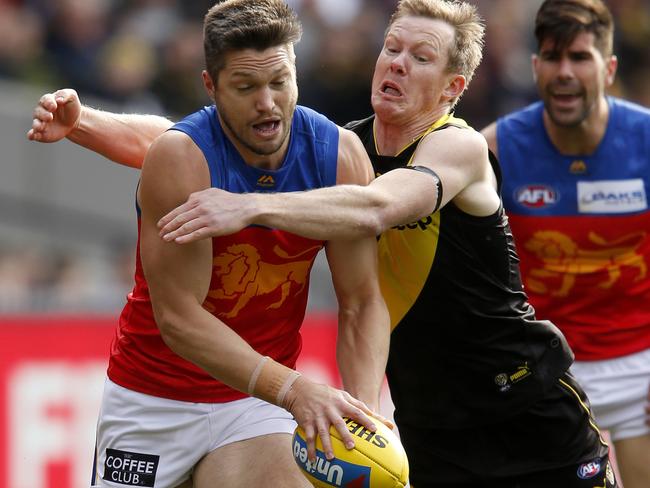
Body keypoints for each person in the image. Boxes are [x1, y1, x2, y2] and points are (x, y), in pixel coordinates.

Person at [29, 0, 618, 486]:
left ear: (453, 87)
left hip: (519, 400)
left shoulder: (450, 149)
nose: (398, 64)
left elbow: (377, 209)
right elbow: (179, 140)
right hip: (429, 419)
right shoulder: (343, 147)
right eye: (392, 48)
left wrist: (249, 206)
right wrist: (84, 124)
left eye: (421, 57)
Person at [30, 1, 392, 487]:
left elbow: (362, 300)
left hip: (254, 404)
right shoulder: (181, 159)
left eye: (280, 82)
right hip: (153, 400)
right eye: (246, 87)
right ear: (211, 87)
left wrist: (364, 413)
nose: (267, 102)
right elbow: (180, 320)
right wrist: (293, 389)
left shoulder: (339, 158)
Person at [480, 1, 650, 487]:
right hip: (547, 374)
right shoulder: (495, 149)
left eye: (579, 57)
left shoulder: (646, 142)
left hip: (641, 375)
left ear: (609, 67)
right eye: (552, 57)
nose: (564, 72)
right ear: (535, 67)